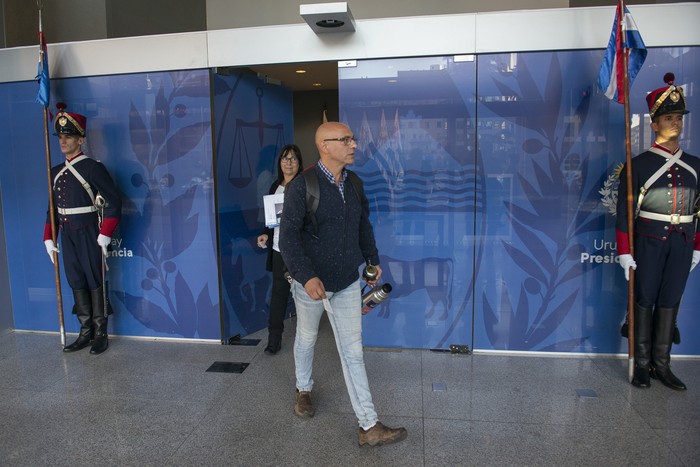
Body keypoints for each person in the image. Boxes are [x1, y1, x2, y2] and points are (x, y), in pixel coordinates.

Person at [279, 122, 407, 447]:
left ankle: (368, 425)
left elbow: (363, 225)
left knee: (353, 352)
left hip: (349, 282)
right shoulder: (302, 187)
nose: (353, 144)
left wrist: (372, 260)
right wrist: (306, 277)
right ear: (325, 146)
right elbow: (289, 238)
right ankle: (303, 389)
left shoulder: (355, 184)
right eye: (346, 140)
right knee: (306, 338)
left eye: (352, 138)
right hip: (313, 284)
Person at [616, 73, 700, 390]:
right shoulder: (637, 165)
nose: (675, 123)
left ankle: (661, 365)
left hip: (682, 242)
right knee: (644, 300)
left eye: (678, 117)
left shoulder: (695, 166)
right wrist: (625, 250)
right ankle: (640, 365)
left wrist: (697, 246)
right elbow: (625, 213)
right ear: (654, 124)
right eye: (668, 117)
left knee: (670, 301)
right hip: (648, 241)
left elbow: (699, 210)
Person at [43, 104, 122, 355]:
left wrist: (106, 232)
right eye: (60, 137)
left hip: (89, 231)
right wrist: (48, 237)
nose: (63, 141)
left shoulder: (92, 168)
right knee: (75, 279)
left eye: (68, 137)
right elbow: (52, 210)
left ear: (80, 139)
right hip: (67, 233)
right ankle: (85, 332)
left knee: (94, 279)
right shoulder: (55, 172)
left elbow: (114, 200)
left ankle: (100, 333)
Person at [256, 144, 304, 354]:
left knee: (303, 295)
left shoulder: (304, 185)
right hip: (277, 250)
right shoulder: (275, 185)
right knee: (278, 295)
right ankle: (273, 339)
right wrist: (266, 233)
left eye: (293, 159)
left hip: (299, 251)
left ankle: (305, 340)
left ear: (299, 163)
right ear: (280, 163)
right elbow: (270, 220)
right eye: (285, 159)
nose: (289, 163)